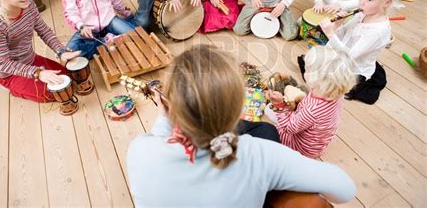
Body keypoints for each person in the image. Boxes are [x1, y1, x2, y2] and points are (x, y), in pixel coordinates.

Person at [127, 44, 356, 207]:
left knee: (266, 130)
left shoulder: (139, 149)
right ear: (239, 109)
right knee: (267, 131)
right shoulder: (256, 153)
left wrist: (164, 116)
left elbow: (160, 138)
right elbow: (345, 189)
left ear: (171, 105)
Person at [299, 0, 400, 105]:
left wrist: (330, 33)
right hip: (340, 55)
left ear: (387, 3)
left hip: (351, 67)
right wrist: (337, 24)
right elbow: (342, 34)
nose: (362, 3)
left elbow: (349, 57)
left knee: (319, 77)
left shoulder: (378, 31)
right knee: (310, 60)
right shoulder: (362, 13)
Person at [268, 46, 356, 158]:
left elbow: (288, 128)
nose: (304, 72)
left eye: (308, 70)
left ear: (318, 79)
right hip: (317, 142)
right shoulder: (336, 93)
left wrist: (280, 105)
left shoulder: (312, 110)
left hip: (300, 148)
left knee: (269, 114)